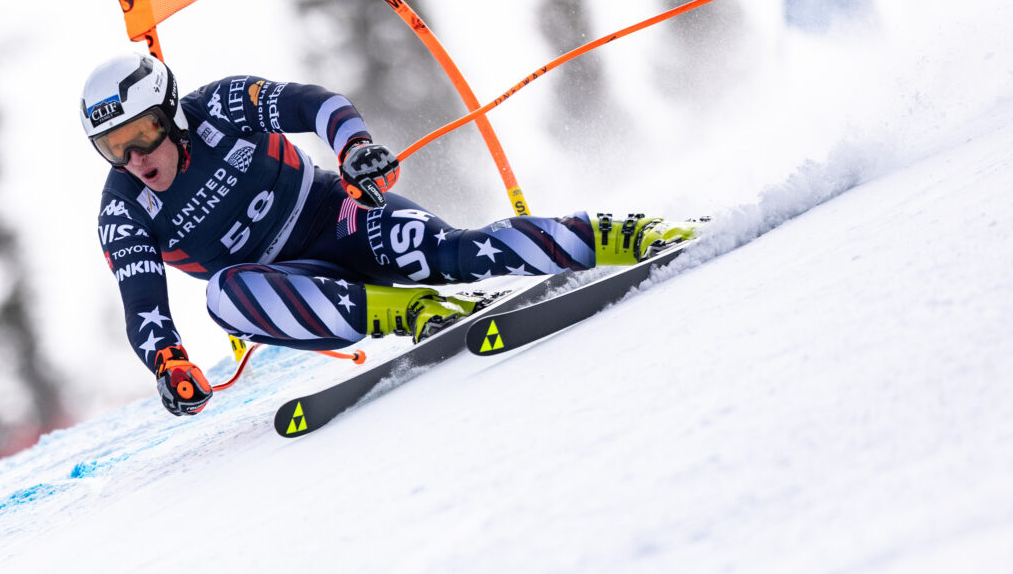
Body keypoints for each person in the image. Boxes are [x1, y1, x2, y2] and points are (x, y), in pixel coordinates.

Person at [81, 53, 701, 416]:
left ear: (172, 113)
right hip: (300, 287)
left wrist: (355, 150)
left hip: (346, 218)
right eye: (113, 147)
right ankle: (412, 312)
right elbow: (144, 308)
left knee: (458, 252)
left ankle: (629, 233)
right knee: (224, 297)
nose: (134, 157)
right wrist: (170, 365)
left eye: (143, 133)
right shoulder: (123, 207)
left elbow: (313, 103)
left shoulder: (218, 107)